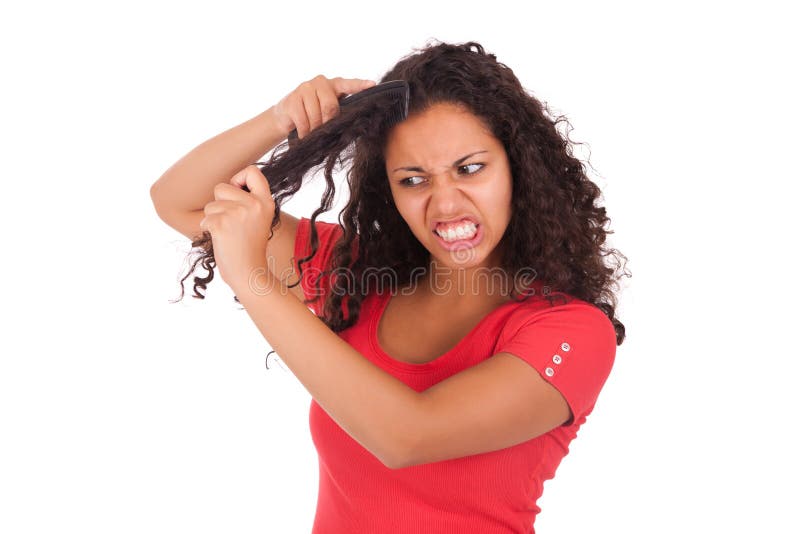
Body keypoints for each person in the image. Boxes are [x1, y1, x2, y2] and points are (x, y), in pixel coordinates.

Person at [150, 39, 629, 534]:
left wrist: (253, 282)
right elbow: (180, 202)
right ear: (388, 189)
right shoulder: (359, 277)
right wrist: (280, 121)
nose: (445, 205)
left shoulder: (572, 331)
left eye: (470, 168)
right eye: (413, 179)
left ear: (519, 168)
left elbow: (406, 436)